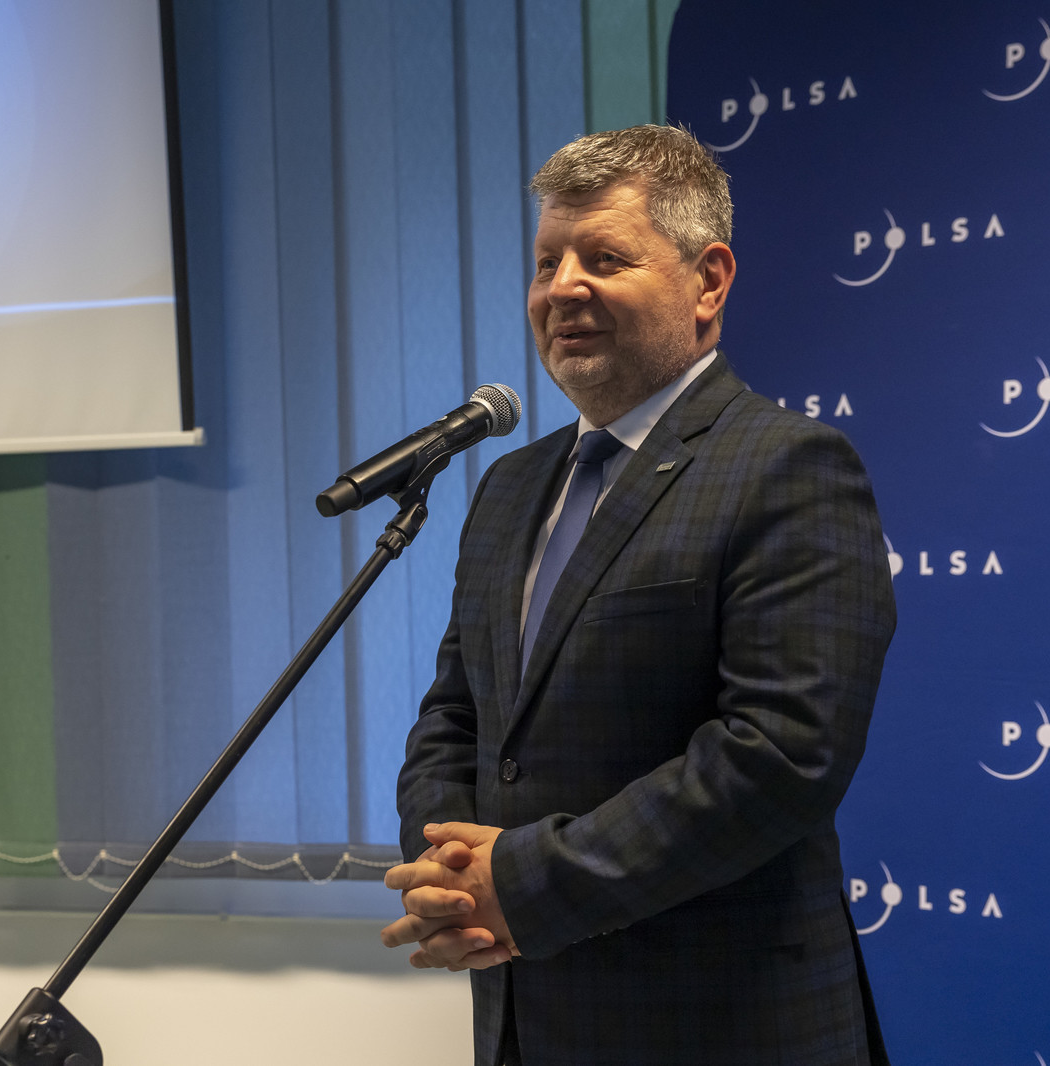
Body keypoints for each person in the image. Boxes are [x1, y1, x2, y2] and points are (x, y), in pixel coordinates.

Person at [380, 124, 896, 1066]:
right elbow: (457, 716)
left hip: (719, 1025)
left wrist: (522, 886)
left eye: (604, 258)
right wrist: (452, 875)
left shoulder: (789, 468)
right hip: (523, 1017)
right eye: (547, 262)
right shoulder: (508, 487)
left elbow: (781, 754)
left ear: (709, 281)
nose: (561, 288)